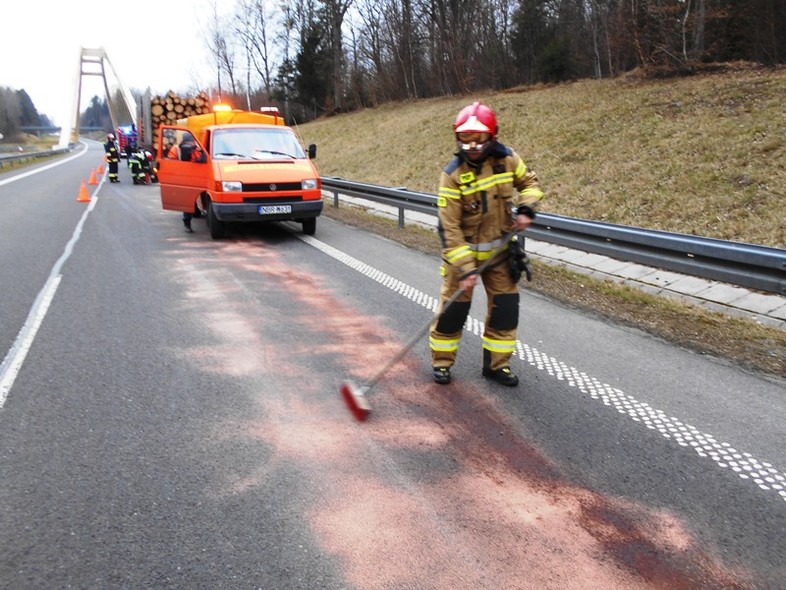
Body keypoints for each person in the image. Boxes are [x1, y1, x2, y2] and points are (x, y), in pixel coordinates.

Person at [428, 102, 544, 387]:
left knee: (505, 309)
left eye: (478, 138)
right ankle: (442, 363)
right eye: (465, 139)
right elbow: (450, 228)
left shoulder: (508, 160)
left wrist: (527, 209)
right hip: (462, 257)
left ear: (492, 136)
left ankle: (497, 366)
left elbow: (530, 184)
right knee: (453, 312)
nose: (472, 145)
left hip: (501, 253)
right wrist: (467, 270)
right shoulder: (452, 175)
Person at [166, 134, 205, 232]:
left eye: (193, 141)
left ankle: (197, 212)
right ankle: (187, 223)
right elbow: (171, 162)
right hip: (184, 178)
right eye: (190, 141)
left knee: (196, 197)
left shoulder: (197, 148)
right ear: (185, 141)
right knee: (187, 201)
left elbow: (202, 159)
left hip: (196, 177)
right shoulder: (176, 149)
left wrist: (201, 159)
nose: (192, 143)